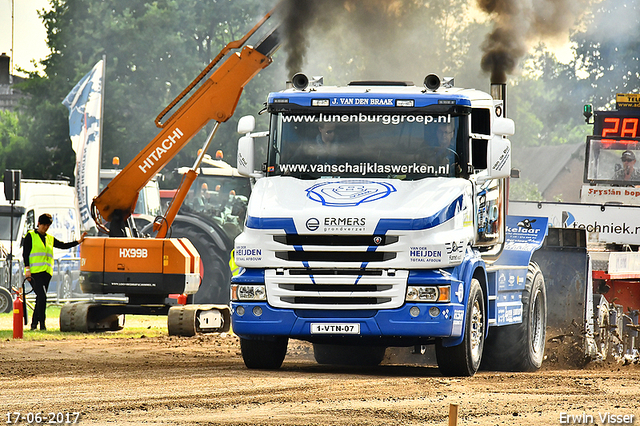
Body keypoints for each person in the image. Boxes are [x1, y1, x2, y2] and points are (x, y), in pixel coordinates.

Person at [22, 213, 87, 330]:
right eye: (44, 225)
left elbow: (63, 245)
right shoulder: (30, 236)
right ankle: (42, 324)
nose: (46, 227)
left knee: (40, 298)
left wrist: (78, 241)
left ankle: (34, 324)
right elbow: (25, 253)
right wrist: (27, 269)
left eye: (48, 225)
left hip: (46, 273)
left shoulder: (50, 238)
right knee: (42, 297)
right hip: (34, 272)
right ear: (38, 224)